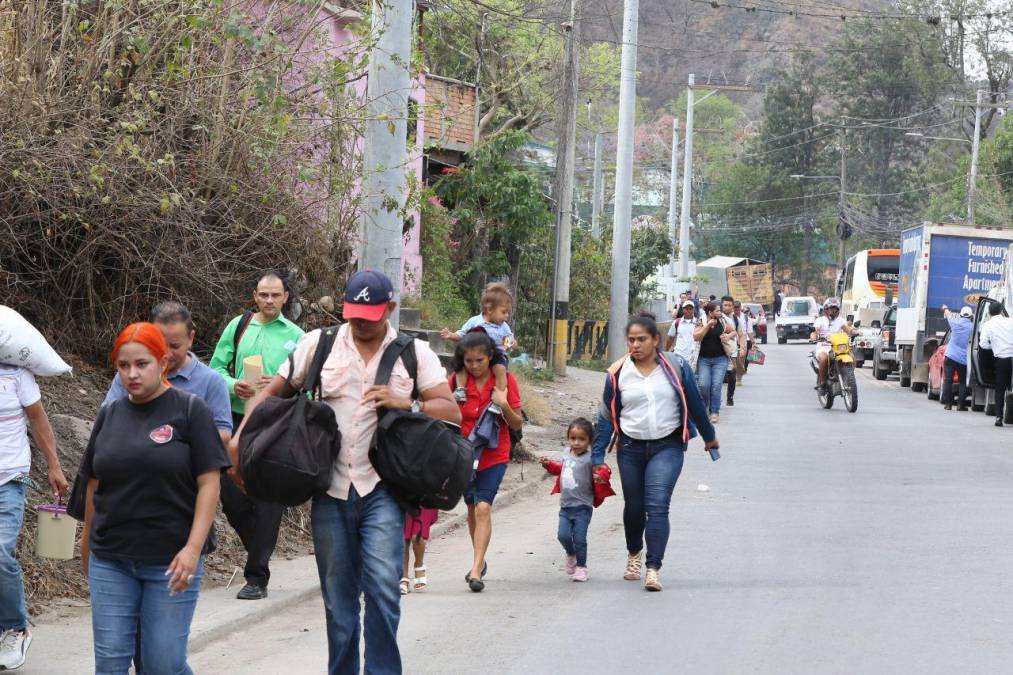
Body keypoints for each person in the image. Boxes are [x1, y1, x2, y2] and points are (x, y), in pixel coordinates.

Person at [235, 269, 459, 674]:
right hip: (330, 491)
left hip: (384, 493)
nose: (360, 323)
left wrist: (405, 402)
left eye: (370, 315)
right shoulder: (317, 345)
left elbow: (450, 410)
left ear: (389, 309)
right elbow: (273, 394)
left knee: (383, 595)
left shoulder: (415, 353)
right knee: (338, 604)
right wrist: (240, 438)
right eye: (354, 314)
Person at [81, 323, 230, 674]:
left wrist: (193, 550)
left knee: (162, 664)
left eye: (142, 364)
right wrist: (86, 543)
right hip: (112, 558)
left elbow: (209, 484)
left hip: (171, 561)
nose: (132, 374)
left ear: (162, 362)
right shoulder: (109, 414)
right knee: (111, 663)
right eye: (123, 366)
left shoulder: (190, 410)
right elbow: (93, 483)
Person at [591, 312, 719, 592]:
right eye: (631, 340)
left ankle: (653, 567)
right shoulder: (617, 372)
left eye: (641, 339)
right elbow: (604, 418)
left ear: (656, 340)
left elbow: (695, 402)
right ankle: (634, 553)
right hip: (630, 448)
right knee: (635, 508)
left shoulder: (675, 366)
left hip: (668, 446)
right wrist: (597, 456)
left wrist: (709, 437)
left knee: (657, 504)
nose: (635, 345)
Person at [209, 271, 304, 601]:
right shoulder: (238, 326)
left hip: (275, 423)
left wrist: (280, 390)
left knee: (268, 498)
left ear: (285, 298)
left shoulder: (298, 336)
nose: (269, 301)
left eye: (275, 295)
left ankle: (256, 575)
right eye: (263, 295)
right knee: (230, 492)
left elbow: (305, 381)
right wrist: (233, 384)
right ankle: (259, 550)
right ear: (254, 295)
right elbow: (215, 368)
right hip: (235, 418)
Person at [0, 363, 68, 670]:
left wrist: (54, 465)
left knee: (0, 554)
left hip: (9, 478)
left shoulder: (15, 374)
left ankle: (17, 627)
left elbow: (38, 419)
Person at [451, 331, 523, 592]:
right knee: (471, 508)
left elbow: (517, 423)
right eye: (469, 361)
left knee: (483, 507)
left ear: (491, 358)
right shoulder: (457, 383)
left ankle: (475, 568)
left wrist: (503, 405)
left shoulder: (505, 382)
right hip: (463, 455)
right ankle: (479, 559)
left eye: (479, 361)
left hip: (494, 454)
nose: (474, 366)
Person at [440, 283, 516, 414]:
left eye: (507, 313)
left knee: (501, 369)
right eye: (503, 312)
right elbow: (462, 335)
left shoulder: (504, 327)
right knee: (461, 366)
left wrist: (512, 343)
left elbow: (508, 342)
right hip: (474, 355)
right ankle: (460, 390)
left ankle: (499, 399)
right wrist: (451, 335)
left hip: (496, 354)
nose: (506, 316)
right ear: (489, 309)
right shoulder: (475, 321)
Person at [539, 418, 596, 582]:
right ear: (568, 438)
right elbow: (560, 470)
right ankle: (571, 553)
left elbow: (602, 472)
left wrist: (601, 477)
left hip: (583, 507)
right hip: (565, 506)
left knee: (580, 539)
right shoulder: (566, 453)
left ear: (589, 440)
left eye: (582, 439)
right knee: (562, 536)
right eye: (573, 438)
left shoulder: (590, 459)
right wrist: (548, 465)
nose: (577, 442)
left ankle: (582, 567)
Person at [694, 302, 735, 424]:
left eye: (720, 311)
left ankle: (714, 411)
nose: (720, 313)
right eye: (717, 311)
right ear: (710, 312)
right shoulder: (701, 321)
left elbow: (733, 332)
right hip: (704, 359)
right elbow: (696, 337)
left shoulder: (722, 321)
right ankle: (705, 407)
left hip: (720, 359)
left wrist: (728, 337)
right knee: (703, 385)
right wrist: (707, 326)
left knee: (716, 386)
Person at [978, 302, 1013, 426]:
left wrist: (993, 347)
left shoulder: (987, 325)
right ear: (1001, 311)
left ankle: (999, 417)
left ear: (989, 313)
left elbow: (982, 344)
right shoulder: (1010, 321)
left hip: (1001, 360)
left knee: (1000, 389)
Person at [810, 297, 854, 394]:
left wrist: (855, 332)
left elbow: (848, 330)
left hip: (838, 346)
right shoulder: (820, 320)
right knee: (824, 358)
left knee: (852, 356)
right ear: (826, 309)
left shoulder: (841, 321)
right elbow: (815, 331)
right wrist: (814, 336)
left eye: (835, 309)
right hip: (823, 346)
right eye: (831, 309)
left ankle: (848, 377)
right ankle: (823, 384)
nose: (833, 311)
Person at [941, 305, 974, 411]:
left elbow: (948, 314)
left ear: (960, 315)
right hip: (963, 360)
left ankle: (948, 404)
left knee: (948, 380)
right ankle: (960, 405)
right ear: (970, 316)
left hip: (950, 356)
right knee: (963, 382)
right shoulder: (973, 327)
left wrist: (945, 308)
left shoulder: (955, 323)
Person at [401, 508, 438, 595]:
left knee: (417, 536)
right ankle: (403, 577)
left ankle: (419, 564)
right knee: (402, 537)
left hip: (423, 496)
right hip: (402, 496)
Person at [724, 297, 748, 404]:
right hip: (718, 351)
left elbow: (741, 335)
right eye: (725, 305)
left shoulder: (735, 319)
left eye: (730, 305)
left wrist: (742, 347)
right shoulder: (717, 317)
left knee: (732, 373)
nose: (727, 307)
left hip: (732, 350)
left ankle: (730, 397)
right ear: (721, 305)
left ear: (733, 307)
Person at [665, 300, 700, 367]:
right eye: (686, 308)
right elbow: (670, 338)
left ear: (693, 309)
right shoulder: (676, 322)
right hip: (678, 356)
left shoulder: (698, 322)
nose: (688, 310)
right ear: (683, 309)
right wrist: (666, 352)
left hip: (693, 358)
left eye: (690, 308)